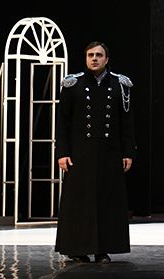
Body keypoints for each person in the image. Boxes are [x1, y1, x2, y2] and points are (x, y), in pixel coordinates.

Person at [55, 42, 135, 263]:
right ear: (86, 58)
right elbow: (62, 122)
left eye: (99, 55)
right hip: (80, 154)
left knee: (107, 201)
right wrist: (62, 152)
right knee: (79, 202)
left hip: (109, 153)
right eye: (90, 55)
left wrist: (128, 152)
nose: (94, 58)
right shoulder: (73, 85)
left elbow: (127, 122)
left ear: (106, 59)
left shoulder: (119, 84)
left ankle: (102, 250)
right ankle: (77, 249)